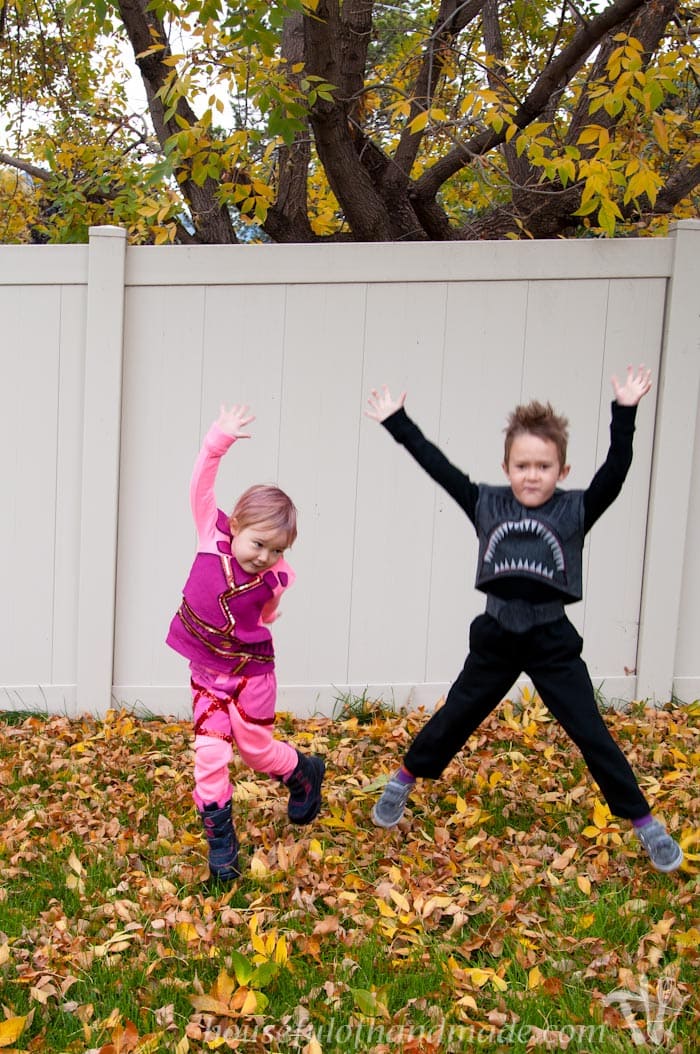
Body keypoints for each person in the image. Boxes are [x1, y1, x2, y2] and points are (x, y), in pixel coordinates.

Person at [365, 368, 683, 873]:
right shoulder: (485, 503)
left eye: (543, 466)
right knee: (456, 717)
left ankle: (645, 824)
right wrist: (397, 422)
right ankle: (404, 778)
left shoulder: (576, 510)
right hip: (495, 639)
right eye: (522, 465)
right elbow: (439, 467)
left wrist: (624, 412)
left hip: (551, 641)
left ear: (561, 469)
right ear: (506, 467)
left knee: (591, 731)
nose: (532, 475)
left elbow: (616, 470)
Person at [167, 403, 325, 885]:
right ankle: (221, 846)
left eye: (277, 549)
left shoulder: (275, 577)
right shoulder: (208, 537)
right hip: (207, 674)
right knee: (211, 754)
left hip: (253, 675)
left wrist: (270, 600)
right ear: (235, 526)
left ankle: (303, 773)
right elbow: (200, 483)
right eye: (259, 543)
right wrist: (220, 438)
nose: (266, 556)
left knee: (256, 752)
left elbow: (266, 615)